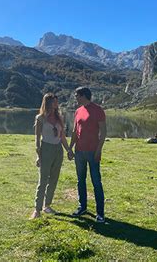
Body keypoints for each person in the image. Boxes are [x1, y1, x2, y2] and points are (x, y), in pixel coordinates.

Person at [31, 93, 73, 219]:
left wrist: (68, 150)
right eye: (54, 101)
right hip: (46, 149)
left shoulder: (59, 117)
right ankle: (37, 210)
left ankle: (47, 205)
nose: (56, 104)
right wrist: (38, 155)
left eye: (57, 101)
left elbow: (62, 137)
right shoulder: (40, 118)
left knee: (54, 179)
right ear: (48, 102)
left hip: (58, 150)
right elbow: (37, 139)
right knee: (43, 180)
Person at [69, 87, 107, 223]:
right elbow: (75, 131)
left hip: (92, 152)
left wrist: (98, 150)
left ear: (83, 95)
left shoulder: (98, 110)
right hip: (79, 152)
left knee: (96, 182)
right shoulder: (78, 111)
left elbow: (103, 132)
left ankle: (100, 213)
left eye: (77, 95)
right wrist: (70, 148)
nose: (75, 98)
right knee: (81, 181)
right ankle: (82, 207)